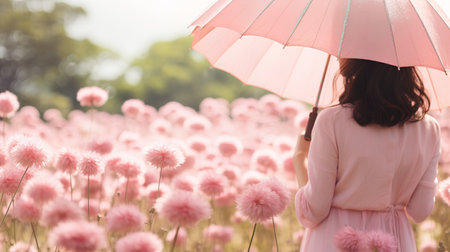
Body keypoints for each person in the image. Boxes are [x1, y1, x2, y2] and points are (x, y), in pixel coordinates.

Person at [293, 58, 441, 251]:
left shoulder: (332, 121)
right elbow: (420, 211)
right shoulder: (429, 129)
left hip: (336, 240)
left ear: (354, 64)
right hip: (394, 240)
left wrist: (299, 157)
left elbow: (314, 211)